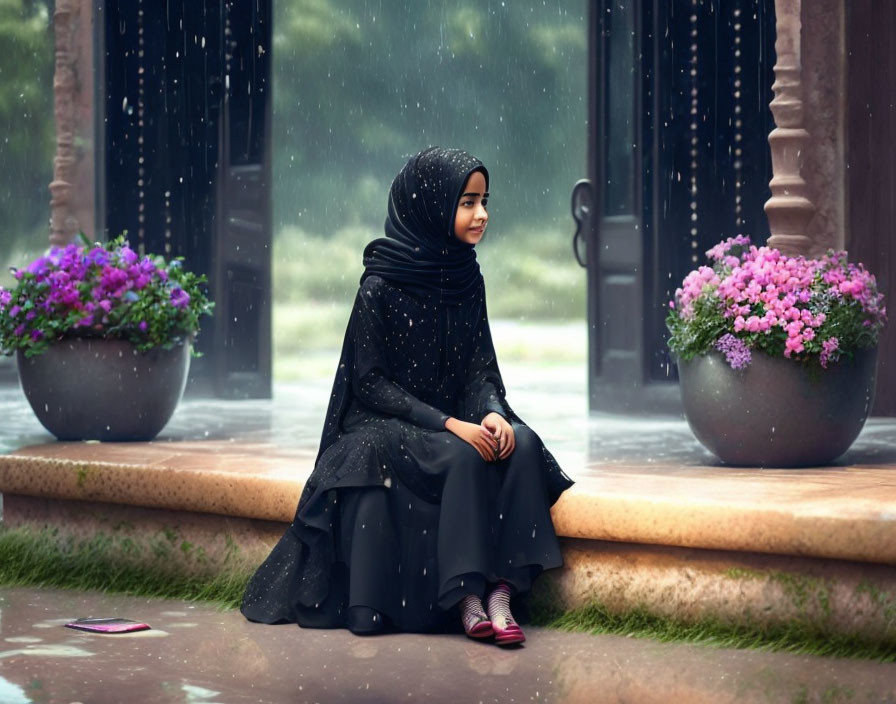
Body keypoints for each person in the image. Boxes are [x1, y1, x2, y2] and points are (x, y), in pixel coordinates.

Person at [241, 147, 574, 646]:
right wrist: (448, 424)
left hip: (454, 419)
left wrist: (491, 411)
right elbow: (370, 384)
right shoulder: (380, 285)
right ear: (433, 206)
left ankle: (502, 593)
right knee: (464, 455)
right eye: (467, 202)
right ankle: (465, 596)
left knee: (521, 444)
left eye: (484, 201)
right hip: (387, 423)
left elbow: (479, 368)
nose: (481, 214)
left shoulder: (467, 276)